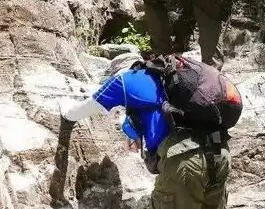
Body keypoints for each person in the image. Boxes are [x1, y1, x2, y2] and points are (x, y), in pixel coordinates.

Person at [60, 52, 241, 209]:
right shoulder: (167, 78)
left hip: (185, 160)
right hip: (219, 151)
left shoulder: (124, 79)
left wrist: (66, 112)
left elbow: (87, 107)